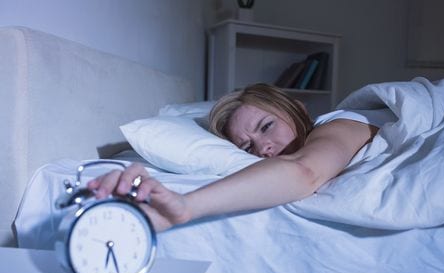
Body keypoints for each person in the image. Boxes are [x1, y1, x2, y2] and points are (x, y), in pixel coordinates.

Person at [87, 83, 383, 232]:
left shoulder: (338, 126)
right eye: (247, 148)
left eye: (266, 126)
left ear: (297, 109)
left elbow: (303, 171)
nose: (264, 149)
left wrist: (185, 205)